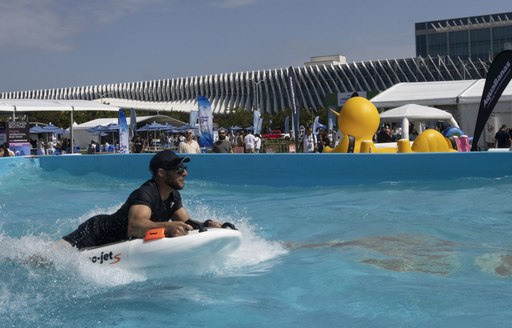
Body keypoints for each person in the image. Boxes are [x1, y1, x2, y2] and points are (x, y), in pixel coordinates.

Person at [62, 150, 235, 249]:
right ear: (161, 173)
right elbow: (134, 227)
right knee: (50, 258)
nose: (185, 173)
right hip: (94, 233)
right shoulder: (145, 194)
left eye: (184, 168)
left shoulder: (173, 195)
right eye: (179, 170)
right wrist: (169, 227)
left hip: (113, 241)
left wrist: (207, 225)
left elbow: (185, 222)